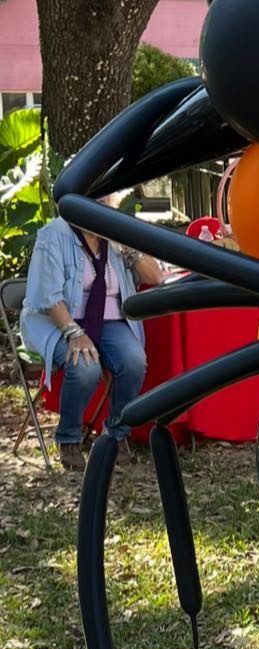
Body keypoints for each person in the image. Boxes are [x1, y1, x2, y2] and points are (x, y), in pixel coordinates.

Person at [21, 202, 163, 473]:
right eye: (96, 201)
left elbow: (155, 277)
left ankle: (116, 434)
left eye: (107, 201)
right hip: (59, 320)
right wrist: (75, 334)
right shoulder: (54, 234)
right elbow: (49, 297)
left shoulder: (115, 236)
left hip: (109, 320)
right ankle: (69, 438)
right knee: (85, 366)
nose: (103, 206)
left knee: (134, 361)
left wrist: (128, 246)